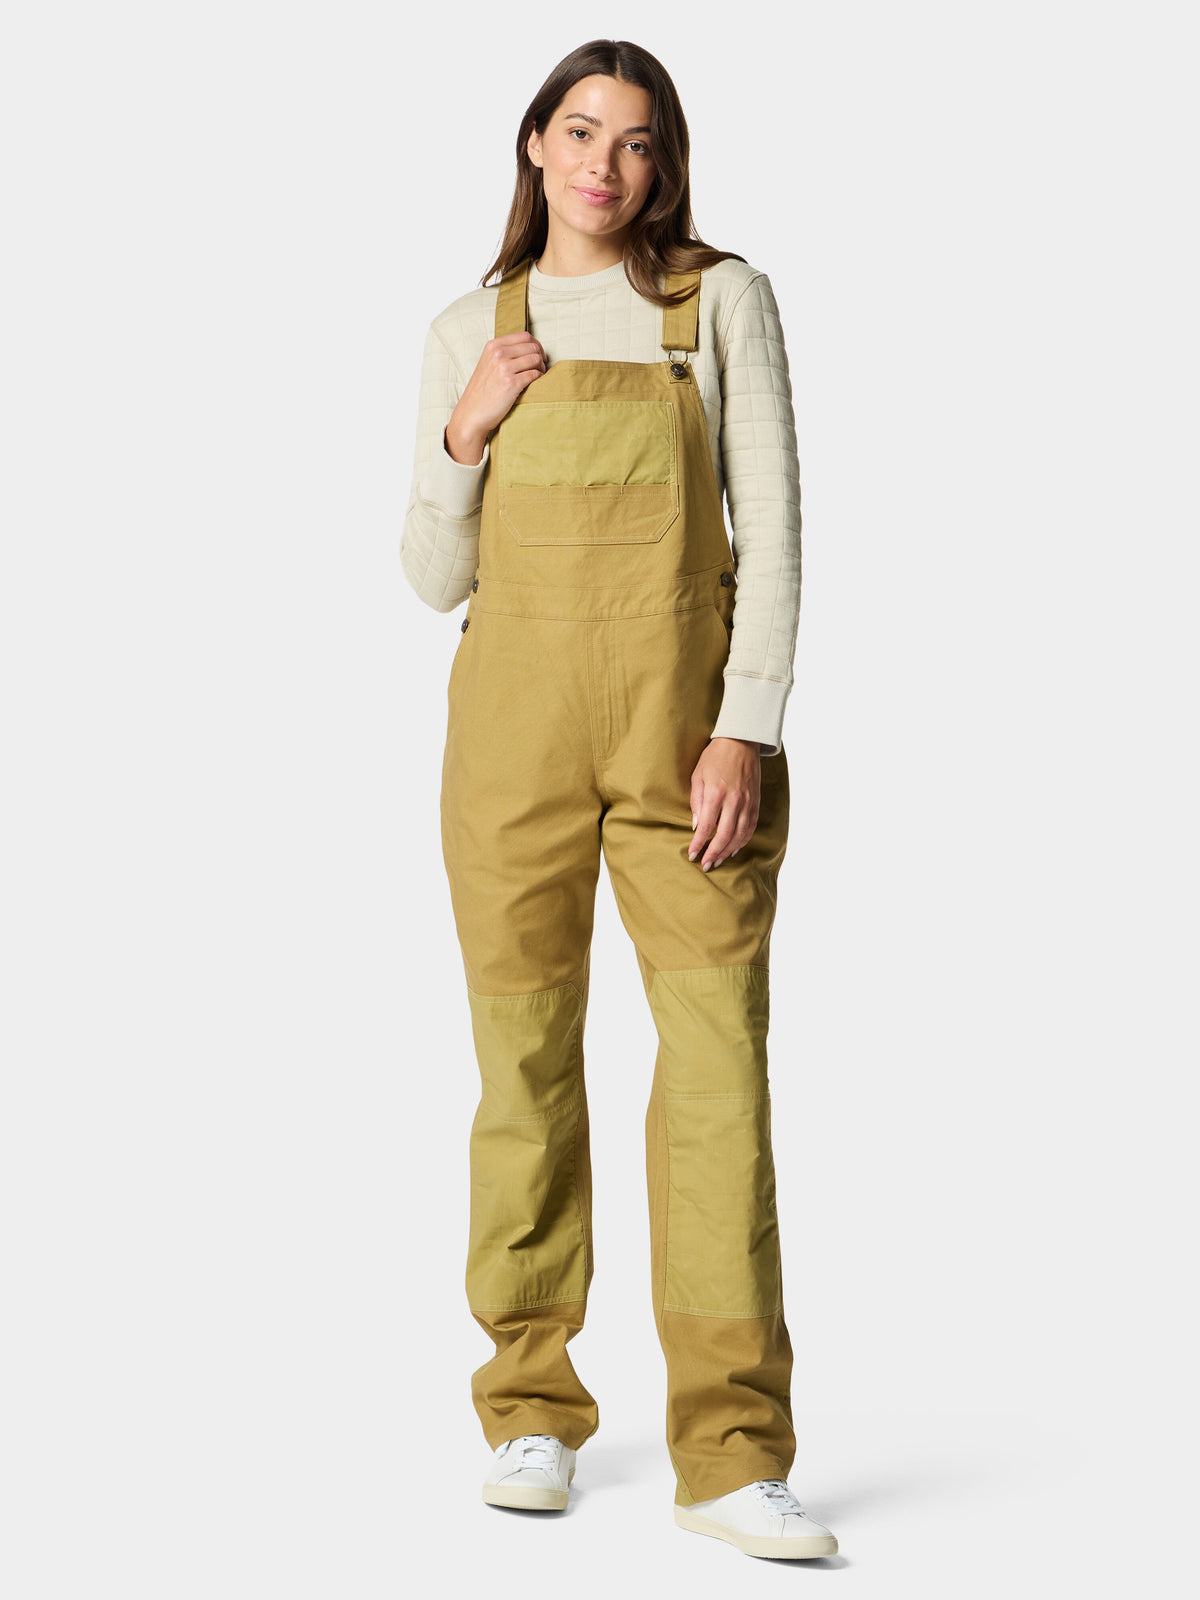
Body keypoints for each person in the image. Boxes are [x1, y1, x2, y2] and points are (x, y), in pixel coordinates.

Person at [400, 38, 838, 1562]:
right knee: (523, 1069)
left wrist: (747, 728)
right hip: (507, 744)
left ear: (666, 164)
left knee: (717, 1079)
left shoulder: (718, 302)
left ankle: (732, 1452)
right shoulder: (471, 327)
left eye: (637, 141)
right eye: (581, 132)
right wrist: (466, 428)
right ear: (535, 145)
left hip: (683, 748)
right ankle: (528, 1407)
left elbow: (774, 527)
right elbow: (431, 577)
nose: (606, 164)